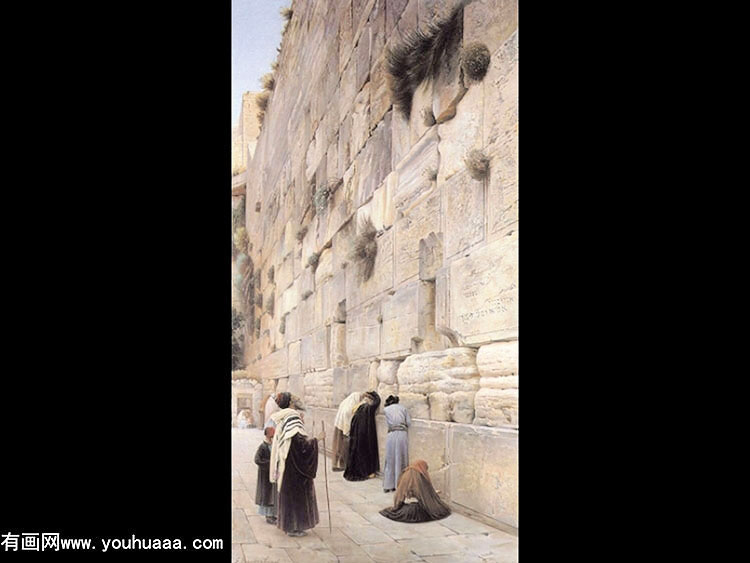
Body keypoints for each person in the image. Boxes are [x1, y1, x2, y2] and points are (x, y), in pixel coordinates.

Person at [268, 407, 324, 537]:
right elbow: (304, 449)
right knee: (296, 501)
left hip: (288, 475)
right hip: (296, 478)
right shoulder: (295, 434)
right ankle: (294, 528)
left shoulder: (286, 432)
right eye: (300, 417)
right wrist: (318, 439)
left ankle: (290, 527)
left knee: (290, 501)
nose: (302, 418)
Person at [379, 460, 451, 523]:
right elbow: (425, 496)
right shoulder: (420, 477)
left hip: (405, 511)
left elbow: (399, 496)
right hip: (419, 511)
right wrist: (434, 494)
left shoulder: (405, 475)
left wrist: (396, 507)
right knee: (437, 508)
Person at [344, 391, 381, 481]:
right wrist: (373, 393)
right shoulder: (367, 408)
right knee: (363, 455)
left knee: (357, 455)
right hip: (363, 436)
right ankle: (365, 472)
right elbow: (377, 401)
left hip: (356, 436)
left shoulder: (358, 408)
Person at [382, 395, 411, 493]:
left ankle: (388, 485)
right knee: (401, 459)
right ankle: (400, 484)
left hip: (391, 435)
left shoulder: (386, 410)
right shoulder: (403, 408)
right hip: (402, 435)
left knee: (390, 459)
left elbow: (388, 424)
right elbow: (408, 423)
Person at [332, 391, 366, 471]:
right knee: (343, 447)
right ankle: (341, 465)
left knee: (337, 445)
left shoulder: (345, 402)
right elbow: (348, 417)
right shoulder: (350, 407)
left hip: (338, 425)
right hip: (343, 427)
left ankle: (336, 464)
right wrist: (348, 431)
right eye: (359, 399)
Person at [254, 426, 277, 523]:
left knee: (273, 494)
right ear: (268, 434)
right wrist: (270, 463)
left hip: (272, 474)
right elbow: (257, 460)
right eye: (273, 432)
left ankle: (272, 514)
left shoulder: (274, 445)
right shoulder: (263, 446)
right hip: (265, 475)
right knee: (267, 495)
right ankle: (268, 516)